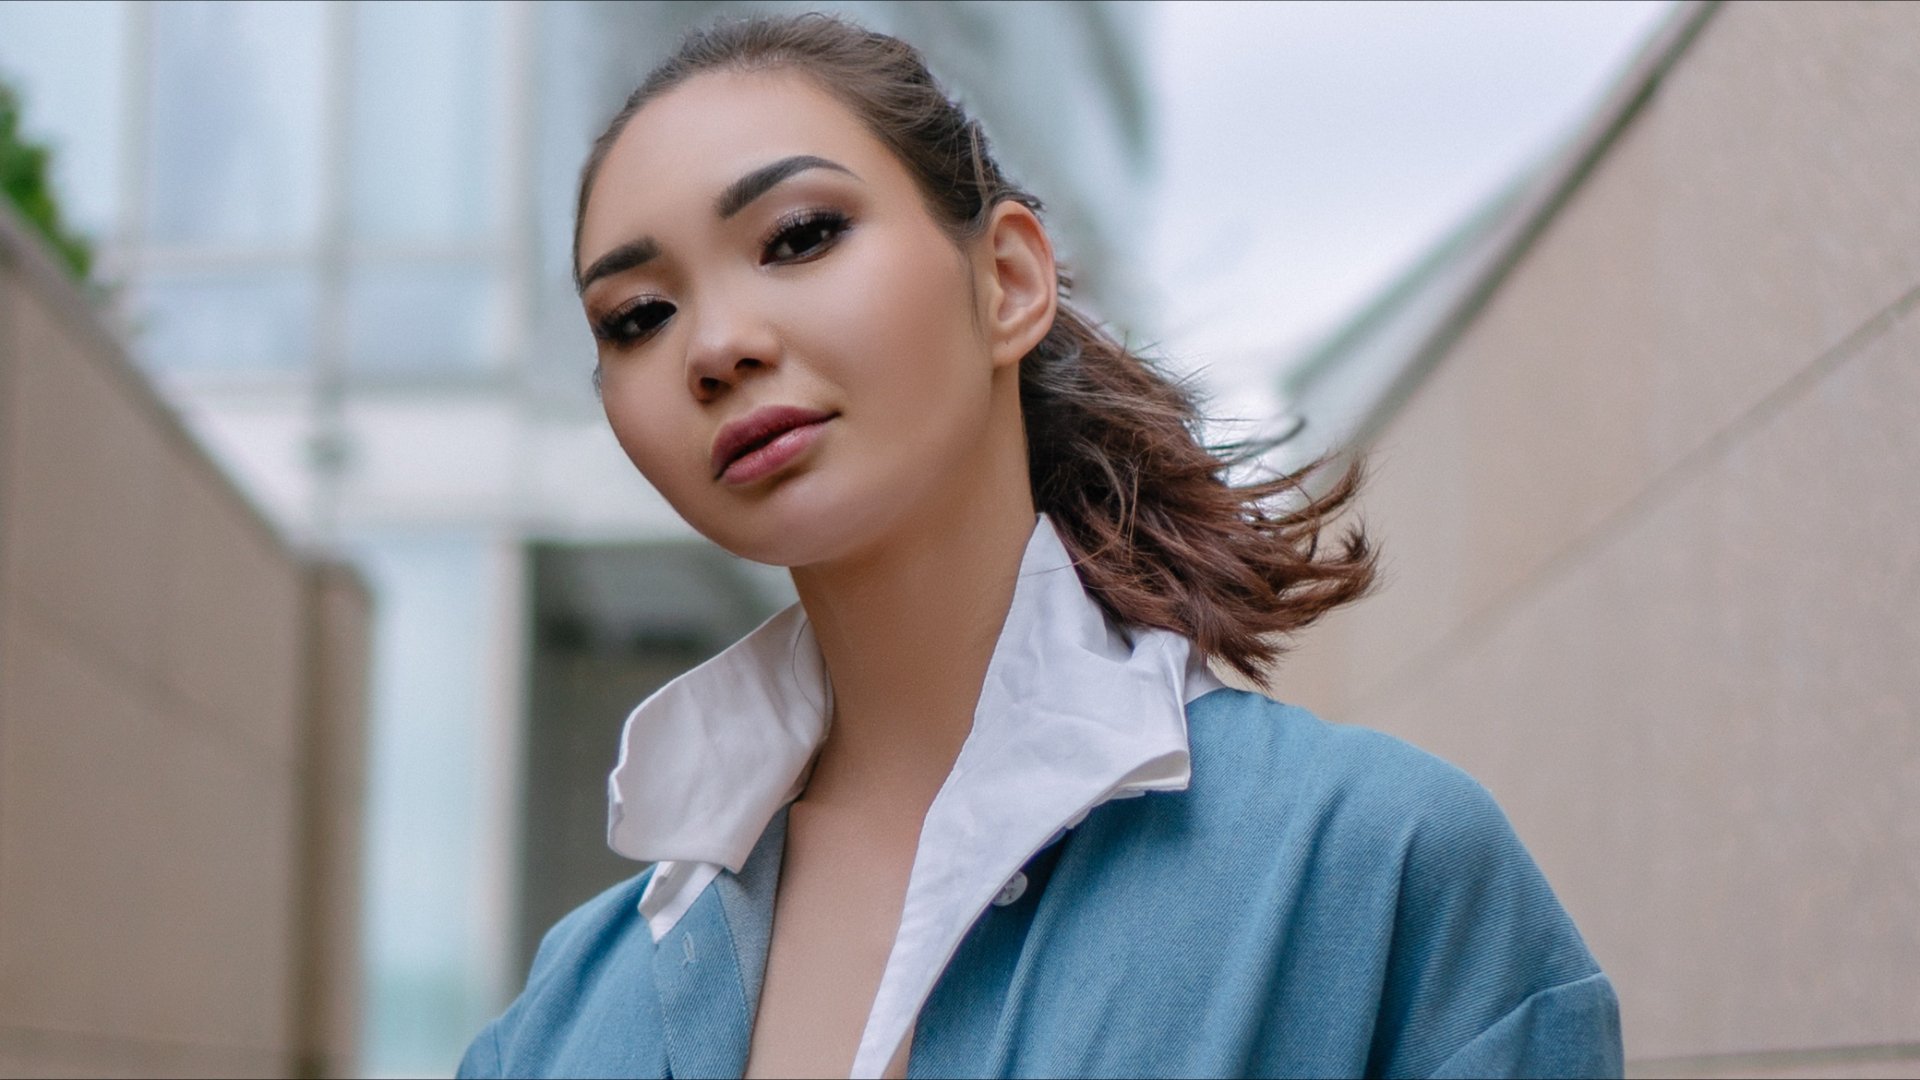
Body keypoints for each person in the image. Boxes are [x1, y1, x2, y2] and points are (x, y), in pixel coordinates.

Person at [459, 12, 1621, 1080]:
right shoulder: (567, 1011)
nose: (715, 344)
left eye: (799, 235)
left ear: (1010, 280)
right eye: (638, 317)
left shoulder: (1374, 869)